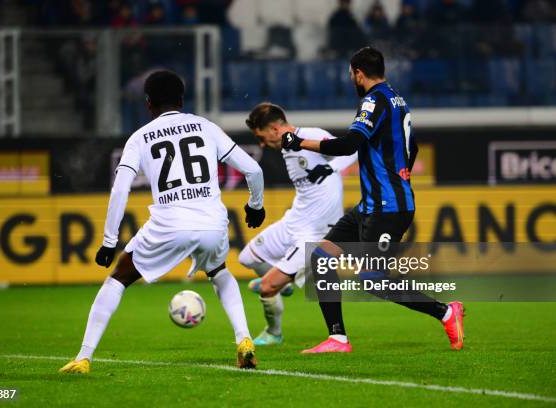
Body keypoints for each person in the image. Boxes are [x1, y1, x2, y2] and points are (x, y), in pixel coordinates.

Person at [59, 70, 266, 373]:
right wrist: (256, 205)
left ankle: (84, 357)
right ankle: (244, 339)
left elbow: (120, 189)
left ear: (148, 104)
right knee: (220, 271)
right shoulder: (205, 127)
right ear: (182, 100)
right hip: (213, 222)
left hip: (170, 223)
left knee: (118, 277)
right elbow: (253, 170)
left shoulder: (140, 138)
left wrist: (108, 241)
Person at [281, 47, 465, 353]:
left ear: (358, 72)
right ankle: (337, 338)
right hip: (371, 206)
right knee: (322, 257)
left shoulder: (374, 100)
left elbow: (349, 144)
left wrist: (299, 142)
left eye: (351, 74)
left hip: (387, 208)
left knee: (373, 279)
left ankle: (446, 312)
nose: (351, 78)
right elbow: (413, 148)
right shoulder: (397, 99)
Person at [241, 103, 357, 346]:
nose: (262, 144)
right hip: (294, 220)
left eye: (262, 138)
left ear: (274, 129)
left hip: (314, 231)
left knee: (265, 287)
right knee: (248, 258)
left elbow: (353, 149)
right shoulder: (286, 147)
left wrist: (330, 167)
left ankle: (274, 332)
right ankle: (285, 283)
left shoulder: (310, 135)